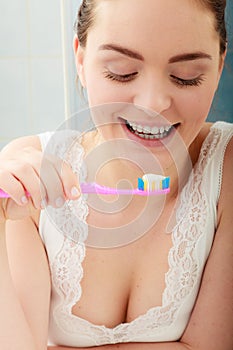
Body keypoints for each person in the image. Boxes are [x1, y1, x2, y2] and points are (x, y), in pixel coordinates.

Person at [0, 0, 232, 349]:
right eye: (122, 71)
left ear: (218, 67)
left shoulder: (226, 167)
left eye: (186, 77)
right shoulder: (28, 170)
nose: (152, 103)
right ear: (80, 59)